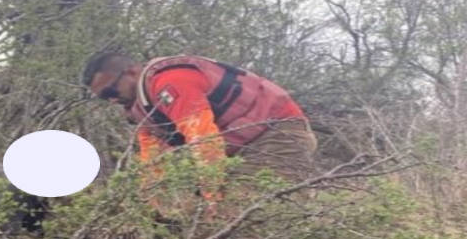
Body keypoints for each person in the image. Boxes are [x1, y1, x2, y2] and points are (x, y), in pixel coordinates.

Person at [81, 51, 318, 187]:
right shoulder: (140, 109)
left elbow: (204, 140)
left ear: (131, 72)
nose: (112, 100)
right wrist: (150, 206)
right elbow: (152, 164)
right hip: (240, 150)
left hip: (277, 132)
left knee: (258, 215)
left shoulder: (171, 83)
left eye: (111, 91)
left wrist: (211, 197)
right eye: (104, 98)